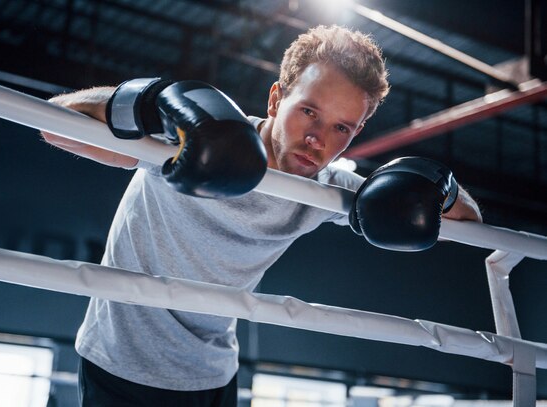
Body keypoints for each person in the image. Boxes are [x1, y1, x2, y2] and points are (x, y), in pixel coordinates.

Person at [41, 25, 481, 406]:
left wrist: (432, 182)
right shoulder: (188, 135)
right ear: (276, 99)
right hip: (123, 365)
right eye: (309, 111)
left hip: (215, 375)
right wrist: (148, 102)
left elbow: (471, 225)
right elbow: (51, 123)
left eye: (341, 128)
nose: (317, 140)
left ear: (357, 131)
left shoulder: (327, 189)